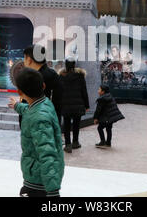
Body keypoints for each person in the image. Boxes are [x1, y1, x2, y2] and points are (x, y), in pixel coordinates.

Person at [7, 68, 64, 197]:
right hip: (40, 176)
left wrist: (53, 191)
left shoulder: (39, 118)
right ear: (43, 86)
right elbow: (31, 110)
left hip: (39, 182)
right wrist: (17, 106)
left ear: (19, 92)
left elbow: (47, 153)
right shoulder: (44, 103)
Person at [22, 45, 62, 125]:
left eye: (24, 58)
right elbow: (58, 104)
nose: (24, 62)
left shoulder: (32, 78)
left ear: (29, 60)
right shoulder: (53, 75)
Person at [58, 57, 89, 153]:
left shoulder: (61, 76)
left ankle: (68, 145)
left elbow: (59, 92)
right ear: (74, 65)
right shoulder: (80, 76)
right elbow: (84, 91)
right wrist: (87, 105)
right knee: (76, 124)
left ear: (65, 65)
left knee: (66, 125)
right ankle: (75, 142)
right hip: (78, 104)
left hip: (65, 105)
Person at [94, 84, 125, 148]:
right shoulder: (110, 96)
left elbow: (98, 110)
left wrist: (95, 118)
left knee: (99, 128)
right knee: (108, 129)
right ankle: (108, 143)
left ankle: (102, 142)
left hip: (107, 117)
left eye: (99, 89)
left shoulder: (102, 99)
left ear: (103, 91)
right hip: (111, 117)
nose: (98, 91)